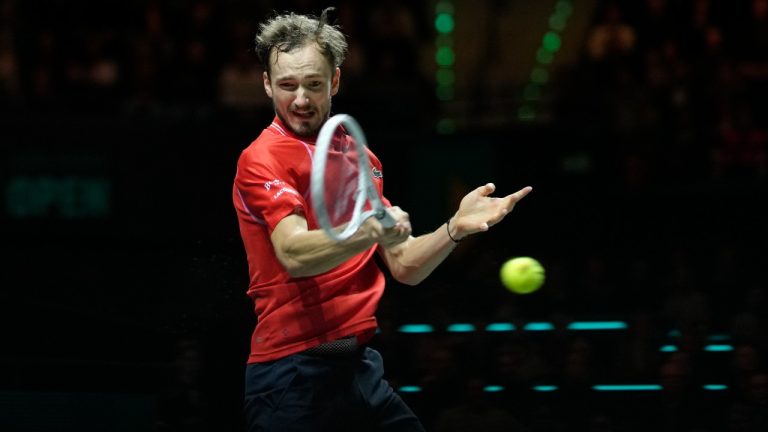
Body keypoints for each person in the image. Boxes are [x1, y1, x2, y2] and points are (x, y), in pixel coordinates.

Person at [232, 8, 532, 432]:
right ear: (266, 84)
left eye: (314, 84)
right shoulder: (261, 159)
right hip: (293, 373)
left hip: (358, 367)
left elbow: (404, 264)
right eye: (287, 85)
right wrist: (367, 230)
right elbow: (294, 253)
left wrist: (454, 229)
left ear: (335, 80)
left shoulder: (361, 160)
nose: (300, 99)